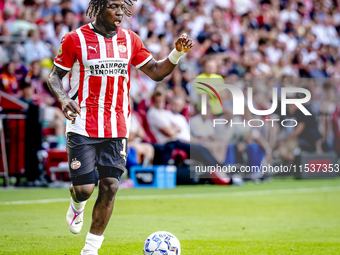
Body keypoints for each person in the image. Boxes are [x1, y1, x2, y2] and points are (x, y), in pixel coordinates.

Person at [47, 1, 194, 254]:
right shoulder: (75, 39)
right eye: (113, 6)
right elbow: (54, 77)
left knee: (110, 186)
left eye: (122, 7)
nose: (120, 12)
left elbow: (157, 72)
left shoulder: (131, 40)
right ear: (99, 7)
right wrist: (63, 98)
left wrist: (176, 54)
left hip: (117, 126)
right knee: (84, 189)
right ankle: (77, 203)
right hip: (82, 122)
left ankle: (90, 249)